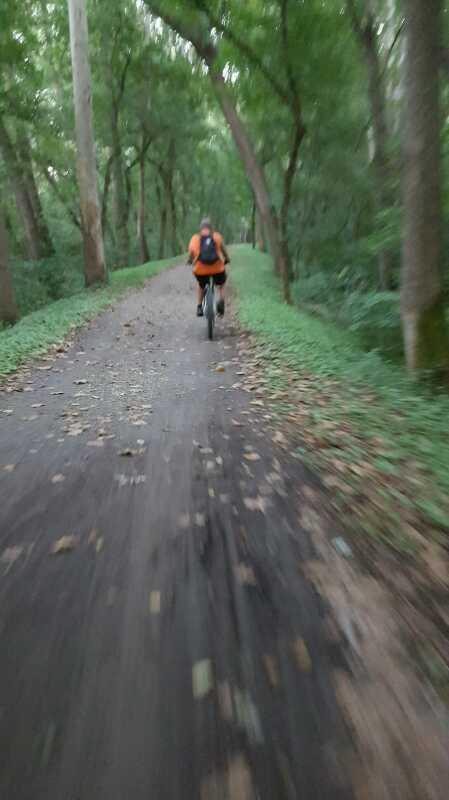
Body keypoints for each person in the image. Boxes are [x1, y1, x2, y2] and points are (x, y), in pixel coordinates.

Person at [188, 218, 230, 317]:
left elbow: (191, 253)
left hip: (200, 271)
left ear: (200, 228)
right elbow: (224, 251)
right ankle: (221, 300)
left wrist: (190, 261)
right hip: (217, 269)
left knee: (201, 284)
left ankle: (199, 307)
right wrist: (227, 259)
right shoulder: (217, 236)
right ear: (211, 228)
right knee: (222, 283)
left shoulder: (195, 238)